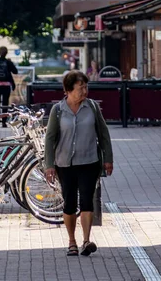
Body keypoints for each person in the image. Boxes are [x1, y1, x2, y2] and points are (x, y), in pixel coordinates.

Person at [44, 70, 113, 257]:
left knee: (87, 201)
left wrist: (108, 159)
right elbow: (49, 139)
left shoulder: (91, 107)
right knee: (69, 203)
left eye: (86, 87)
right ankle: (71, 241)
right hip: (64, 163)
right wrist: (49, 164)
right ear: (68, 90)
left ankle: (86, 240)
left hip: (89, 161)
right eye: (80, 88)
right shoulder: (58, 110)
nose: (84, 91)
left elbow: (103, 133)